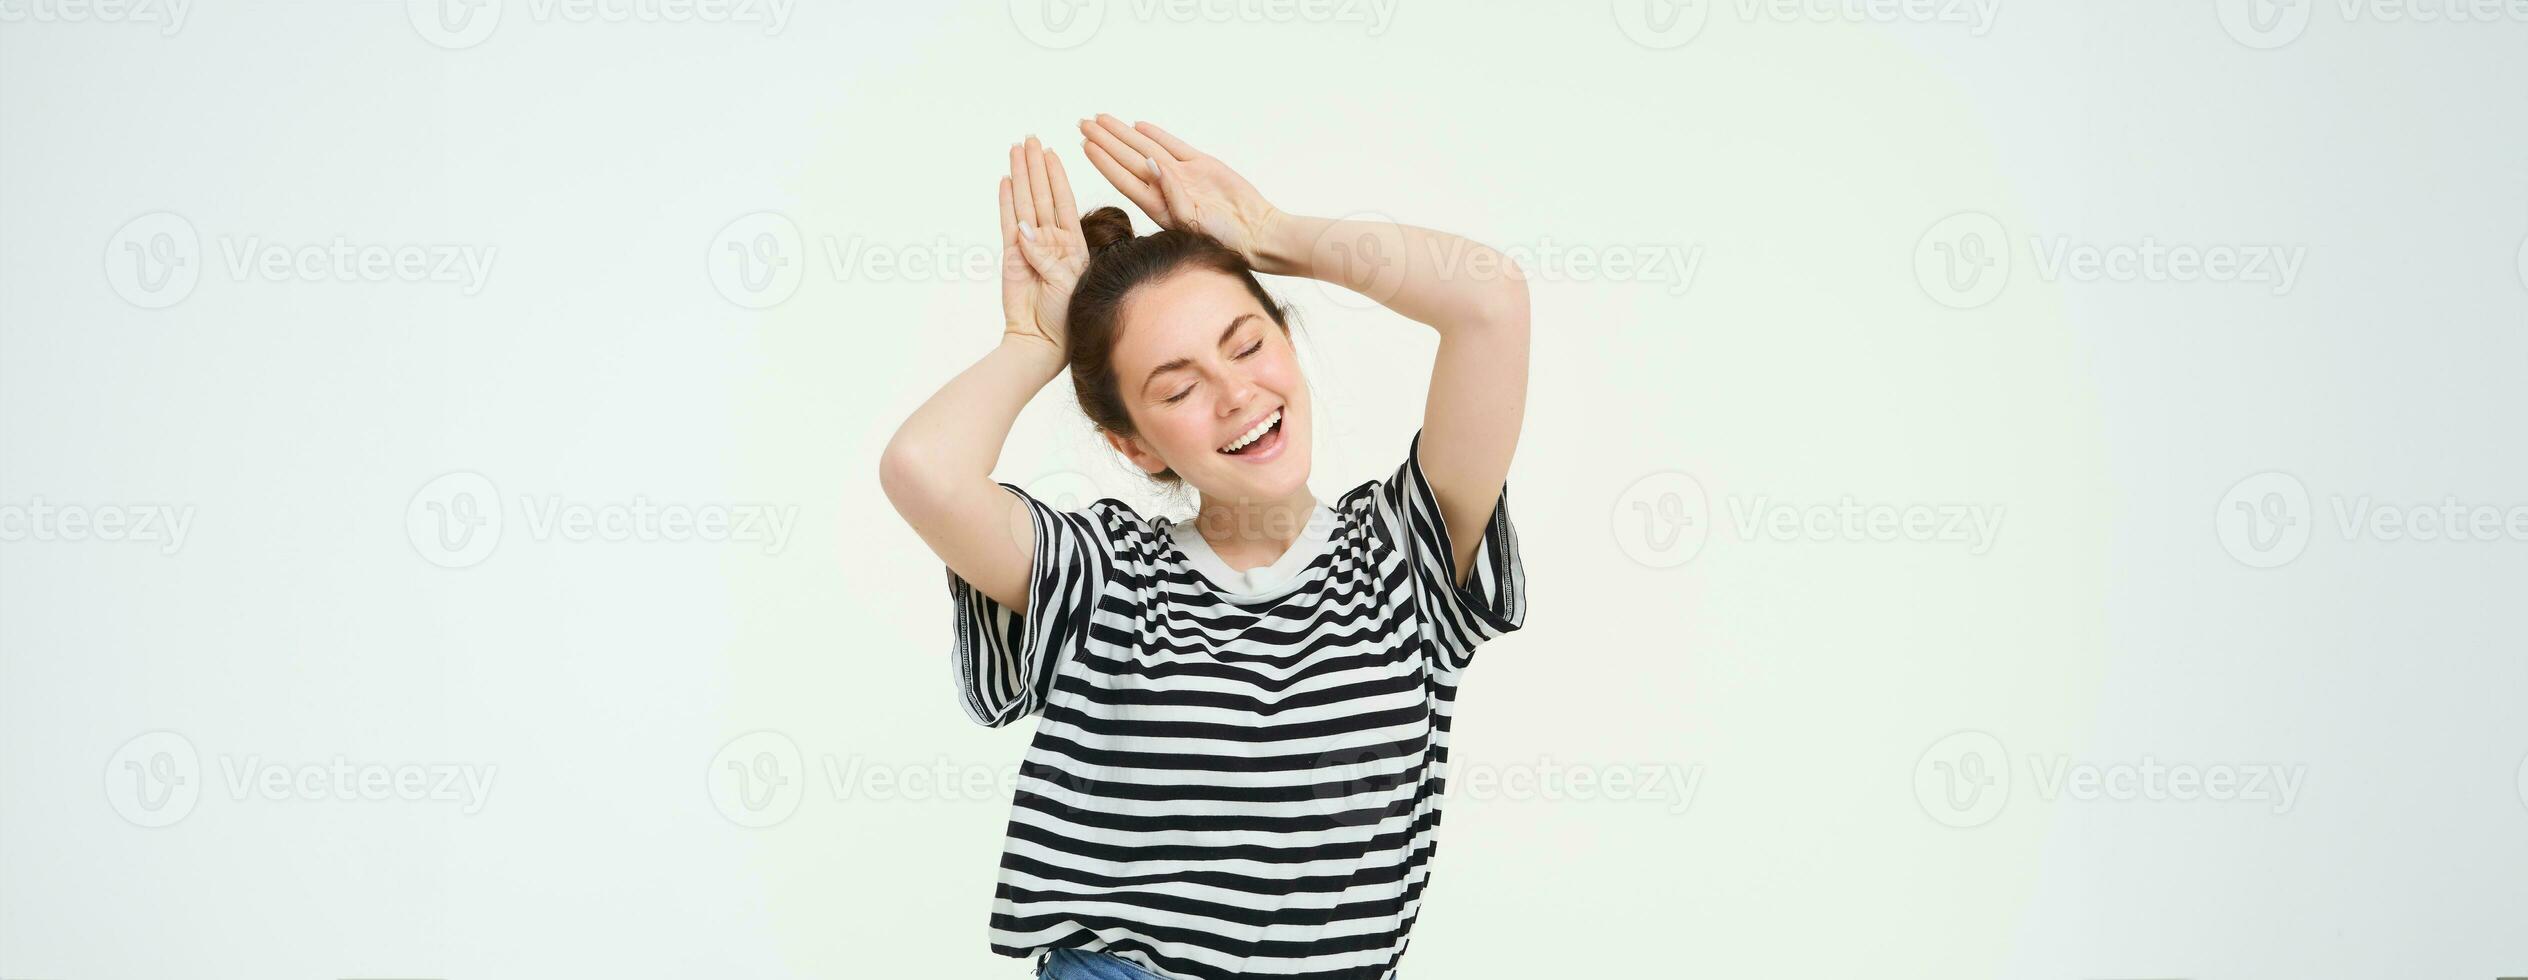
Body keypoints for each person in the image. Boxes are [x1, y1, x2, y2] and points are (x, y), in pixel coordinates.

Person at [878, 115, 1531, 980]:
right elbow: (924, 471)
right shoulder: (1103, 577)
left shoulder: (1404, 558)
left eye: (1249, 344)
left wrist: (1275, 236)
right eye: (1178, 388)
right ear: (1134, 445)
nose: (1234, 394)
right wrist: (1034, 343)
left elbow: (1490, 300)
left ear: (1286, 343)